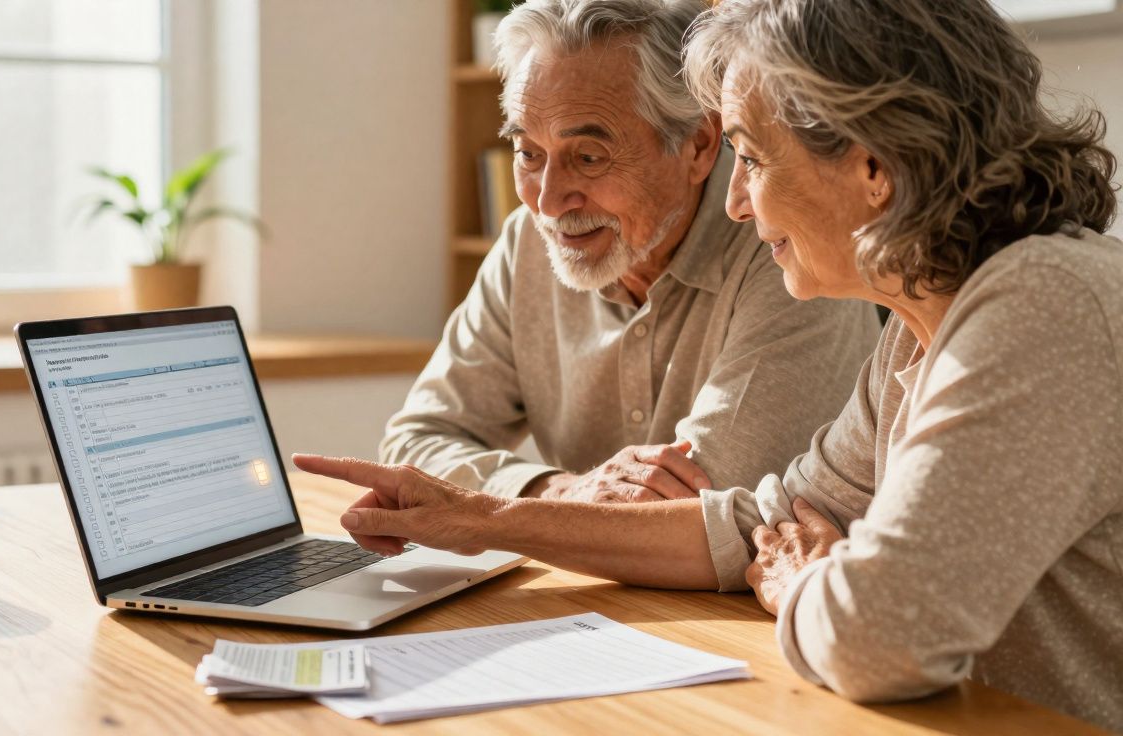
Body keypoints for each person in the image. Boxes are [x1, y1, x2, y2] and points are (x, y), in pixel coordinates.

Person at [298, 0, 1123, 728]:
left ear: (874, 167)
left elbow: (878, 637)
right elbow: (764, 520)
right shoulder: (919, 329)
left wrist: (798, 580)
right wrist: (478, 518)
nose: (735, 199)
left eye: (753, 160)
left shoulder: (1039, 302)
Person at [380, 0, 881, 504]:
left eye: (589, 157)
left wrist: (521, 505)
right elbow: (413, 445)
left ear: (699, 145)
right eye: (528, 153)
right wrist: (556, 489)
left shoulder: (789, 249)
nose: (549, 202)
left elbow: (701, 511)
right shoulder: (526, 242)